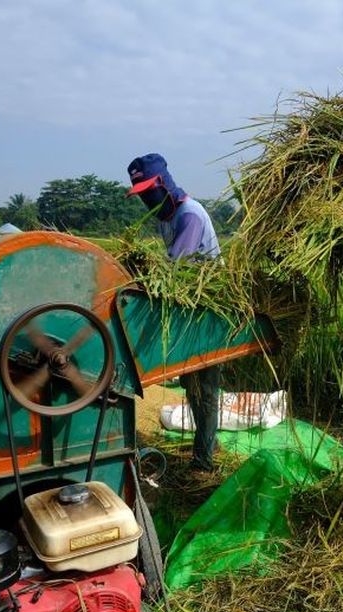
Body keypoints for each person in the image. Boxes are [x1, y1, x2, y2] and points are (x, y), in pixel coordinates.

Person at [125, 153, 222, 471]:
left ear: (164, 184)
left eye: (149, 192)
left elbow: (175, 270)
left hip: (206, 310)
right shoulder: (165, 216)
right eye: (141, 195)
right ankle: (210, 444)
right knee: (192, 383)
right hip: (187, 306)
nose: (146, 200)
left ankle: (204, 463)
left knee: (203, 386)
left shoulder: (189, 215)